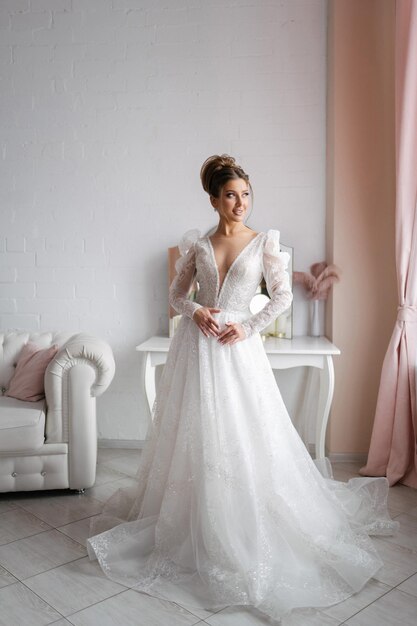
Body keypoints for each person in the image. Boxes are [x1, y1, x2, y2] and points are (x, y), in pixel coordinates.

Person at [88, 155, 399, 624]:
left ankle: (246, 517)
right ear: (213, 199)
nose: (241, 204)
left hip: (238, 348)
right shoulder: (198, 244)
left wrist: (248, 326)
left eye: (247, 194)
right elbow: (176, 295)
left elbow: (282, 296)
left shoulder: (263, 244)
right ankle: (196, 517)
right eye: (231, 195)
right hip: (199, 345)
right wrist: (195, 312)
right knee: (198, 429)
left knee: (246, 429)